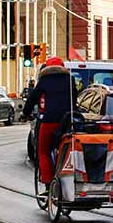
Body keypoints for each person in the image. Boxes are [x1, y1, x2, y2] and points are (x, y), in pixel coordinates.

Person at [22, 56, 75, 190]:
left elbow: (32, 98)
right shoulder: (70, 79)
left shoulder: (45, 80)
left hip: (49, 121)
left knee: (43, 151)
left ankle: (47, 183)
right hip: (67, 122)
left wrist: (25, 113)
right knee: (69, 149)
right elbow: (74, 98)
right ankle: (68, 176)